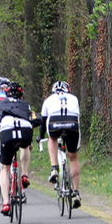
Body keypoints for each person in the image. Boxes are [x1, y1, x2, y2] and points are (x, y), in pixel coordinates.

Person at [0, 81, 39, 216]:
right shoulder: (26, 105)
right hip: (25, 130)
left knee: (5, 168)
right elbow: (34, 120)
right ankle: (24, 175)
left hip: (6, 132)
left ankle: (6, 203)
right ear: (21, 95)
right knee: (25, 146)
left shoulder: (0, 104)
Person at [40, 80, 82, 208]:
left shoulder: (48, 100)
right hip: (72, 123)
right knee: (73, 157)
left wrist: (40, 137)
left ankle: (54, 168)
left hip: (54, 122)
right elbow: (77, 115)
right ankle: (75, 192)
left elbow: (43, 121)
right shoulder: (74, 98)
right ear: (68, 90)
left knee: (51, 139)